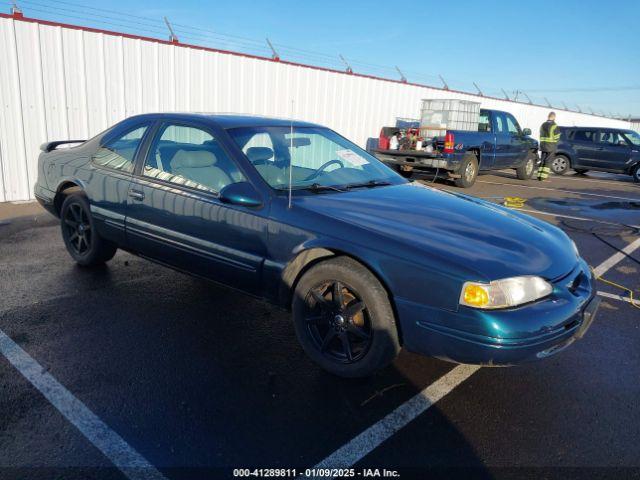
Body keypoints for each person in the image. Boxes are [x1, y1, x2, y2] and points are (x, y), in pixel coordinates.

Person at [538, 112, 561, 181]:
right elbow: (557, 137)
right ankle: (543, 177)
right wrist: (555, 142)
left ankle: (539, 176)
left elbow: (540, 134)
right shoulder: (554, 125)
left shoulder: (543, 124)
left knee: (542, 160)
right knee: (548, 161)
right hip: (551, 146)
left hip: (543, 145)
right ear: (554, 117)